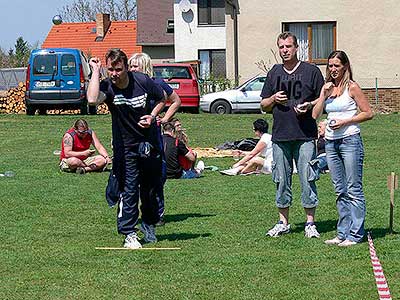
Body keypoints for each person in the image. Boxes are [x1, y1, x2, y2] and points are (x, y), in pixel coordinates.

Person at [87, 49, 165, 249]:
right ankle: (129, 233)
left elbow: (163, 98)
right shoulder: (108, 87)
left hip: (148, 145)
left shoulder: (142, 81)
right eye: (110, 69)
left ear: (126, 68)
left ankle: (148, 225)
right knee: (129, 189)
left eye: (118, 69)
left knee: (150, 189)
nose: (114, 73)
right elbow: (92, 99)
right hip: (125, 147)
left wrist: (153, 115)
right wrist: (96, 71)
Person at [260, 31, 324, 238]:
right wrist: (273, 99)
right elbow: (263, 105)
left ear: (297, 48)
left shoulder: (311, 71)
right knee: (281, 179)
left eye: (288, 46)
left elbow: (322, 98)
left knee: (308, 177)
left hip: (305, 135)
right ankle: (283, 222)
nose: (285, 50)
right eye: (281, 47)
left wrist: (308, 105)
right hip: (280, 136)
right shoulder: (274, 72)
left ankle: (310, 224)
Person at [312, 50, 373, 246]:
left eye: (337, 65)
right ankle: (342, 232)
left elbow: (368, 113)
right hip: (330, 142)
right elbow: (315, 114)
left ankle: (355, 234)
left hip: (350, 141)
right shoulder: (329, 89)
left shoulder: (352, 87)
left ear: (345, 66)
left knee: (353, 188)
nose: (333, 69)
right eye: (330, 66)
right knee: (339, 189)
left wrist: (346, 121)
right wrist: (323, 93)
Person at [128, 52, 181, 226]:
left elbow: (175, 101)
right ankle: (134, 213)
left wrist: (164, 119)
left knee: (157, 175)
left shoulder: (156, 83)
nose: (132, 69)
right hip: (132, 135)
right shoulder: (127, 85)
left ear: (144, 66)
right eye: (130, 66)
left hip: (152, 136)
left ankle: (158, 214)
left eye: (135, 66)